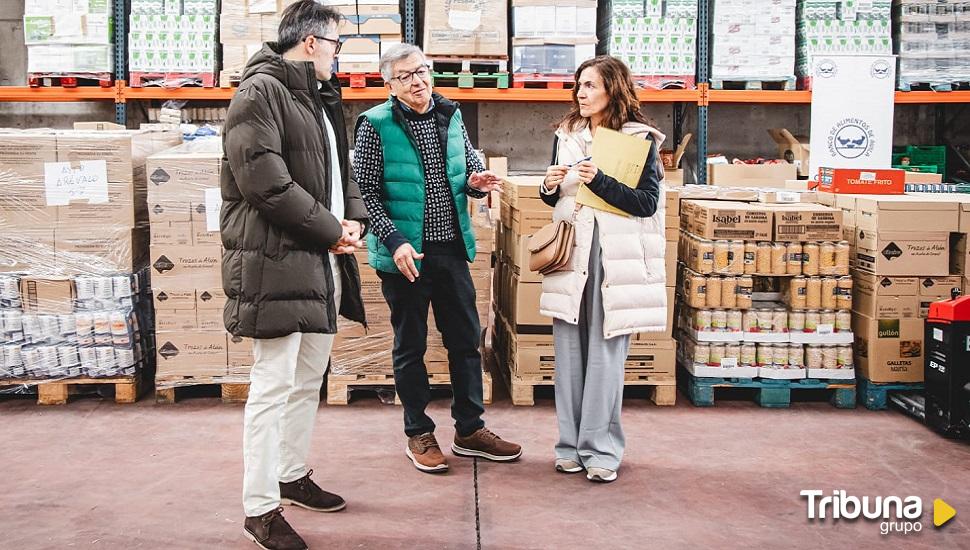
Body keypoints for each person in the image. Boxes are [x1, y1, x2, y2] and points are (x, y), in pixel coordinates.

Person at [221, 2, 368, 548]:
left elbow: (339, 169)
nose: (337, 55)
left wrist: (349, 219)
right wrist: (331, 229)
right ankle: (259, 509)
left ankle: (291, 473)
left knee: (308, 377)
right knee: (273, 384)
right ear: (311, 43)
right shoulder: (259, 93)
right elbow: (266, 183)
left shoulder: (316, 96)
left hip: (320, 255)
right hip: (275, 258)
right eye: (335, 45)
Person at [354, 43, 522, 474]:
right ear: (389, 84)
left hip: (450, 248)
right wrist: (394, 241)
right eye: (407, 75)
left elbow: (468, 164)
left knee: (466, 342)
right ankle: (418, 433)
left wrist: (476, 181)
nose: (418, 81)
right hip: (406, 255)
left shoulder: (450, 113)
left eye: (423, 71)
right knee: (409, 346)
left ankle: (470, 430)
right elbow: (366, 194)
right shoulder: (373, 124)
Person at [538, 55, 667, 483]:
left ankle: (601, 453)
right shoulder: (567, 134)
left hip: (615, 259)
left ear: (614, 88)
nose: (581, 93)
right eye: (579, 85)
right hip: (572, 254)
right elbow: (554, 201)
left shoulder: (639, 139)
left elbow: (646, 203)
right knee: (568, 354)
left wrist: (600, 182)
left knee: (606, 358)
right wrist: (549, 186)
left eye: (590, 85)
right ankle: (568, 447)